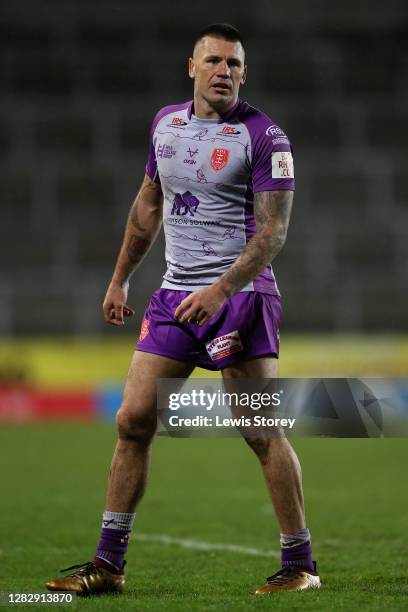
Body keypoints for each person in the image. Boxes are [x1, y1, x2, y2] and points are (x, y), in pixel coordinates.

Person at [46, 22, 320, 596]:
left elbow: (273, 233)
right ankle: (108, 565)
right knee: (132, 420)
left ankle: (300, 565)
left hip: (239, 299)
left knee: (259, 430)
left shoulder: (267, 137)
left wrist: (219, 291)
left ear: (244, 73)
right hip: (173, 298)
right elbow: (149, 206)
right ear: (191, 67)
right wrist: (120, 279)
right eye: (215, 61)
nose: (226, 72)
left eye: (236, 64)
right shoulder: (165, 125)